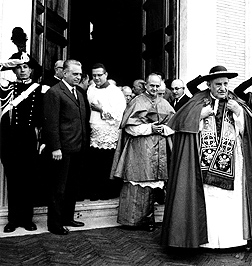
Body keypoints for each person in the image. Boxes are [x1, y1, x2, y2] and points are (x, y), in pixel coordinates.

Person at [161, 65, 252, 249]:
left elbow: (250, 130)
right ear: (209, 84)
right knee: (209, 201)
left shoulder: (236, 101)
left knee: (230, 202)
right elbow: (182, 125)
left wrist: (239, 113)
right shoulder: (198, 101)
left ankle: (232, 241)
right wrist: (201, 115)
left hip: (233, 161)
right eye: (218, 84)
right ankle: (206, 241)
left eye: (225, 83)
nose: (223, 88)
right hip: (202, 162)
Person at [110, 73, 175, 232]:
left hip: (159, 148)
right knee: (138, 184)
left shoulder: (164, 102)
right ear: (145, 85)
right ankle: (132, 220)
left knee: (153, 186)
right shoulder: (137, 101)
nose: (154, 88)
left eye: (157, 86)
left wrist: (164, 129)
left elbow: (174, 123)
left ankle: (149, 218)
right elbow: (129, 127)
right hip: (140, 148)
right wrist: (150, 128)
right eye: (151, 85)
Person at [43, 59, 88, 235]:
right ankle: (54, 224)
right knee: (58, 188)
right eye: (74, 74)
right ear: (64, 73)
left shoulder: (79, 92)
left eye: (79, 74)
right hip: (62, 149)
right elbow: (51, 123)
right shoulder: (54, 93)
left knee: (72, 186)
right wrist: (55, 147)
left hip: (78, 147)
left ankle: (67, 217)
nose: (78, 77)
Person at [0, 52, 43, 233]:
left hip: (29, 140)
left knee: (28, 181)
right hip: (11, 140)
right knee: (14, 181)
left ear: (31, 70)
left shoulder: (40, 89)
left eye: (26, 66)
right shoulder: (7, 87)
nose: (23, 70)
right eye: (19, 67)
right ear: (14, 70)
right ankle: (13, 220)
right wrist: (6, 64)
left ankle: (27, 219)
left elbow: (44, 118)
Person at [86, 63, 126, 200]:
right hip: (94, 132)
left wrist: (101, 109)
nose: (96, 78)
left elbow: (119, 114)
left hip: (109, 133)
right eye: (94, 75)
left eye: (99, 75)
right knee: (94, 164)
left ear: (106, 75)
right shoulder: (90, 89)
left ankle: (106, 192)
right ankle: (94, 192)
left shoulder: (115, 91)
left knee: (106, 164)